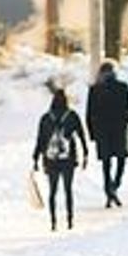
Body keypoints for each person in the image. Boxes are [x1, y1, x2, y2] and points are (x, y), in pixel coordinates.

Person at [86, 59, 128, 208]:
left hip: (102, 130)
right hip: (119, 129)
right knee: (121, 158)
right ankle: (115, 185)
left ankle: (108, 188)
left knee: (106, 161)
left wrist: (91, 132)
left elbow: (89, 113)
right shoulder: (122, 87)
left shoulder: (95, 90)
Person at [33, 86, 87, 231]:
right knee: (68, 190)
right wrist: (85, 153)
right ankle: (70, 220)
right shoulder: (72, 115)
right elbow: (81, 135)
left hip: (50, 159)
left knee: (52, 191)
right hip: (68, 159)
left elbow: (40, 140)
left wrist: (36, 158)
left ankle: (53, 222)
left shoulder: (45, 118)